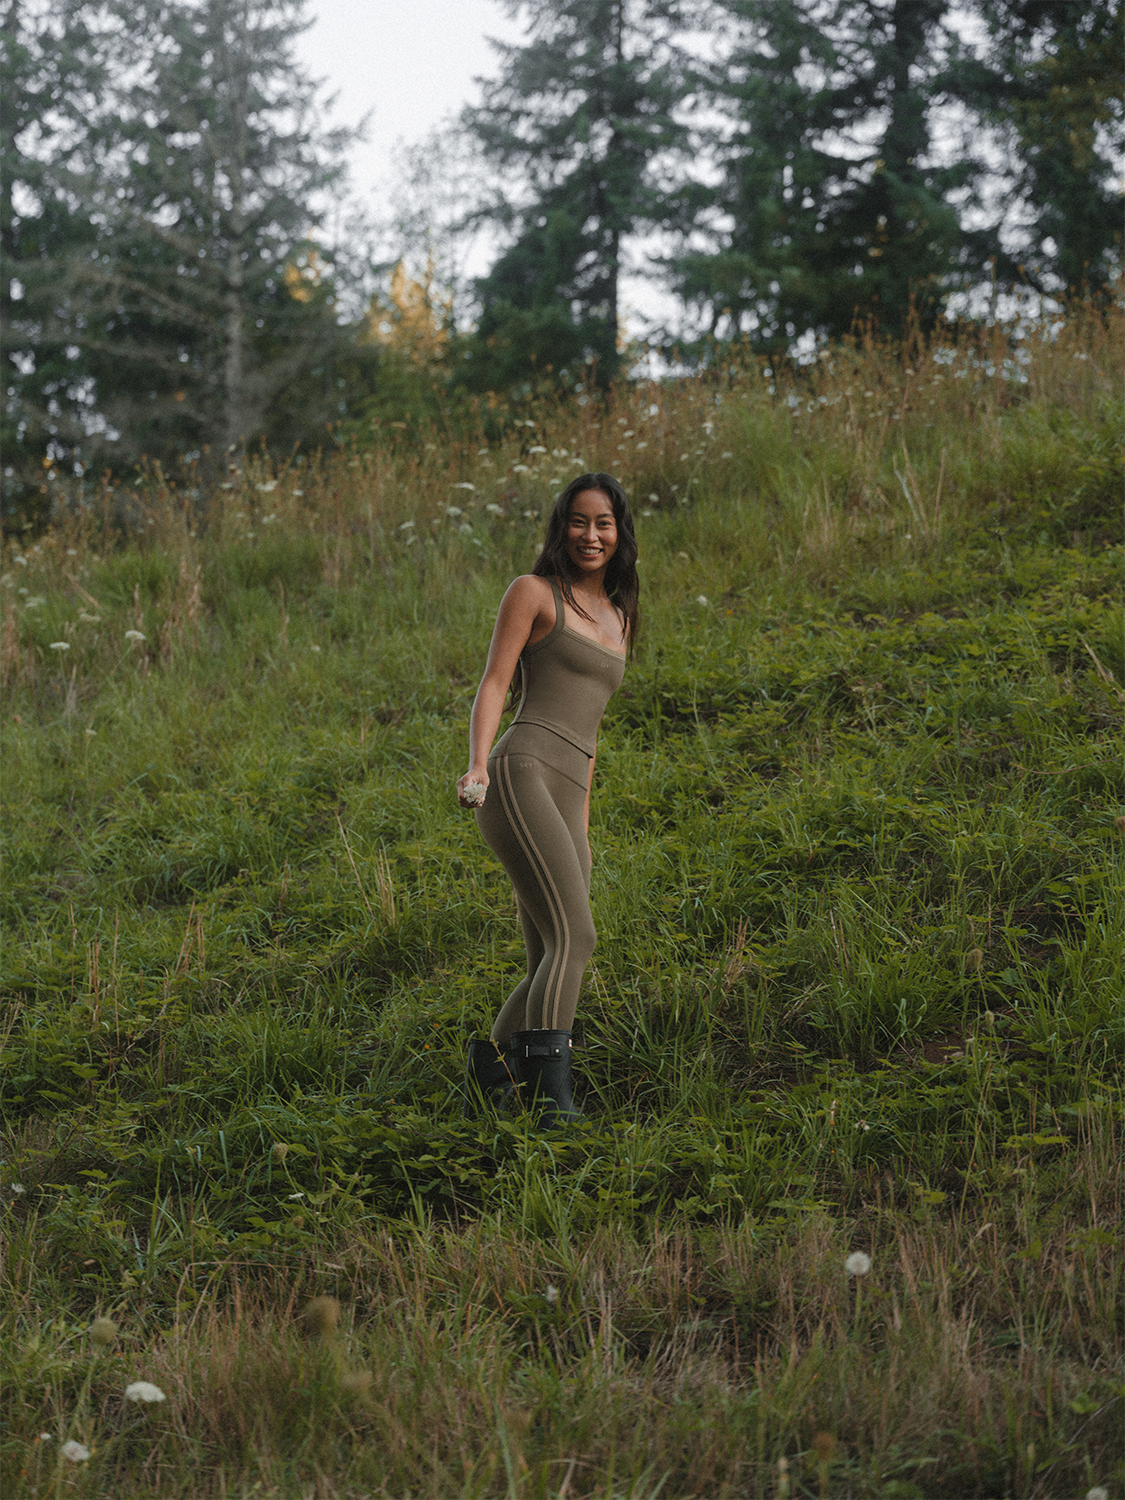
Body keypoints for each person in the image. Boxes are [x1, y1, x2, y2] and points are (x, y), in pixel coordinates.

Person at [457, 472, 638, 1124]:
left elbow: (590, 734)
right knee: (577, 937)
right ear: (562, 526)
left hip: (568, 791)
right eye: (579, 521)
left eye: (604, 524)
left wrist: (582, 827)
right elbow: (494, 681)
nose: (591, 535)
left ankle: (490, 1080)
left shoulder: (618, 617)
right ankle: (553, 1104)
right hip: (520, 771)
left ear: (619, 535)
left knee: (546, 958)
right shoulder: (533, 593)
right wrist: (477, 765)